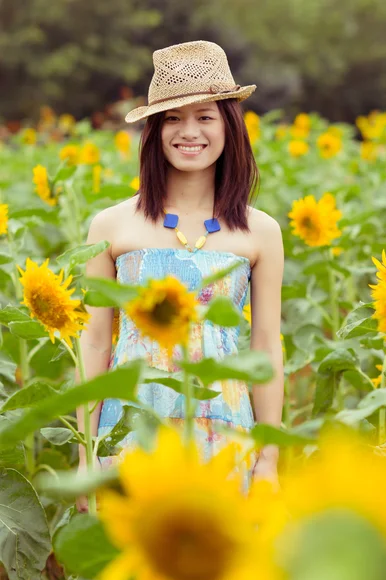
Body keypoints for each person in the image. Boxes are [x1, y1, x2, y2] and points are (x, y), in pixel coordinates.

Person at [76, 40, 284, 512]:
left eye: (205, 116)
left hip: (227, 435)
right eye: (173, 118)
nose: (189, 131)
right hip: (129, 433)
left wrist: (268, 460)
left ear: (229, 126)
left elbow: (267, 346)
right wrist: (86, 453)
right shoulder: (111, 226)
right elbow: (94, 343)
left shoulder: (261, 232)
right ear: (154, 129)